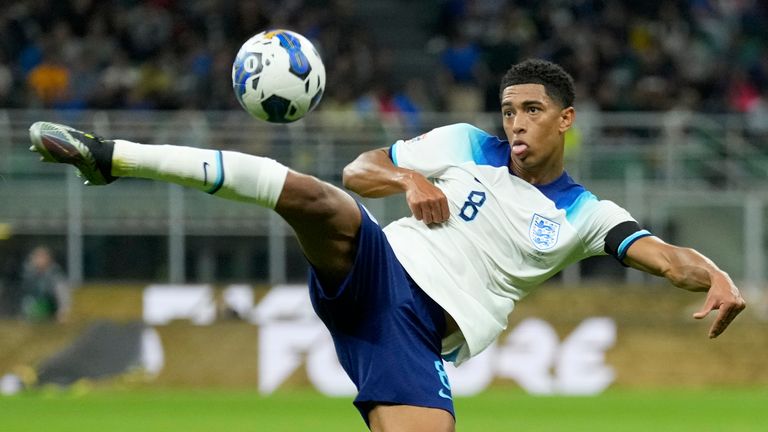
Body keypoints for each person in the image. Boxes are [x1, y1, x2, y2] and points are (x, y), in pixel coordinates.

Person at [28, 59, 745, 432]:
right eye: (508, 109)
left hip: (416, 334)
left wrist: (714, 275)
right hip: (378, 267)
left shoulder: (587, 213)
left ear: (566, 119)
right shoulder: (464, 144)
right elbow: (357, 168)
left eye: (531, 111)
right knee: (318, 199)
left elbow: (666, 257)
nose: (516, 122)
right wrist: (407, 178)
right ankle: (112, 155)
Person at [20, 246, 71, 322]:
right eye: (37, 257)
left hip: (51, 312)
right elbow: (24, 294)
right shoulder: (29, 274)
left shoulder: (55, 275)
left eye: (42, 257)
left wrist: (62, 312)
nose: (39, 260)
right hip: (32, 312)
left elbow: (63, 295)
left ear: (49, 259)